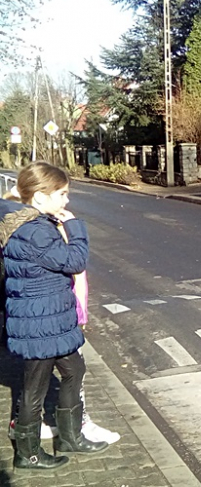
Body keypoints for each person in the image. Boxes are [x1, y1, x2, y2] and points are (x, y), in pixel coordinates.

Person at [1, 162, 109, 470]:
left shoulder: (31, 222)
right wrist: (75, 228)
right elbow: (74, 261)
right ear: (39, 197)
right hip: (40, 323)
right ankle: (28, 453)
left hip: (49, 319)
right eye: (61, 193)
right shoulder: (34, 231)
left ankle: (71, 437)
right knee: (35, 388)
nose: (66, 200)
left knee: (74, 369)